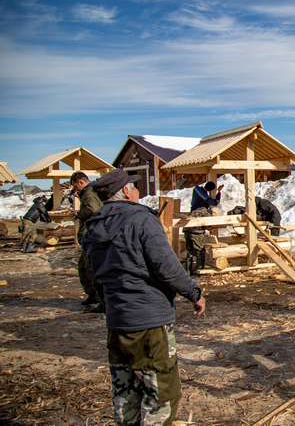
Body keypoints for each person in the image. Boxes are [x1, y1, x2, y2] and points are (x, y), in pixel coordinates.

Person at [82, 169, 206, 426]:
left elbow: (94, 276)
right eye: (133, 186)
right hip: (149, 322)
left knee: (124, 391)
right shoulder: (141, 220)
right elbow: (168, 267)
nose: (137, 190)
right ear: (127, 192)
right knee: (161, 393)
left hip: (117, 322)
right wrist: (193, 292)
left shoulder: (93, 227)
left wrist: (109, 306)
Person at [70, 171, 104, 312]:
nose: (75, 189)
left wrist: (79, 215)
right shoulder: (88, 192)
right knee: (84, 266)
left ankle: (99, 297)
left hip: (91, 232)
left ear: (81, 182)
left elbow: (92, 209)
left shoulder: (89, 193)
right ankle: (93, 294)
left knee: (90, 266)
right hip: (89, 233)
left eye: (75, 186)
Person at [183, 207, 209, 275]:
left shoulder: (193, 211)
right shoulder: (206, 213)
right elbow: (208, 224)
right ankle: (199, 272)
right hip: (196, 233)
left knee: (189, 251)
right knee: (200, 251)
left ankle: (188, 272)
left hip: (186, 232)